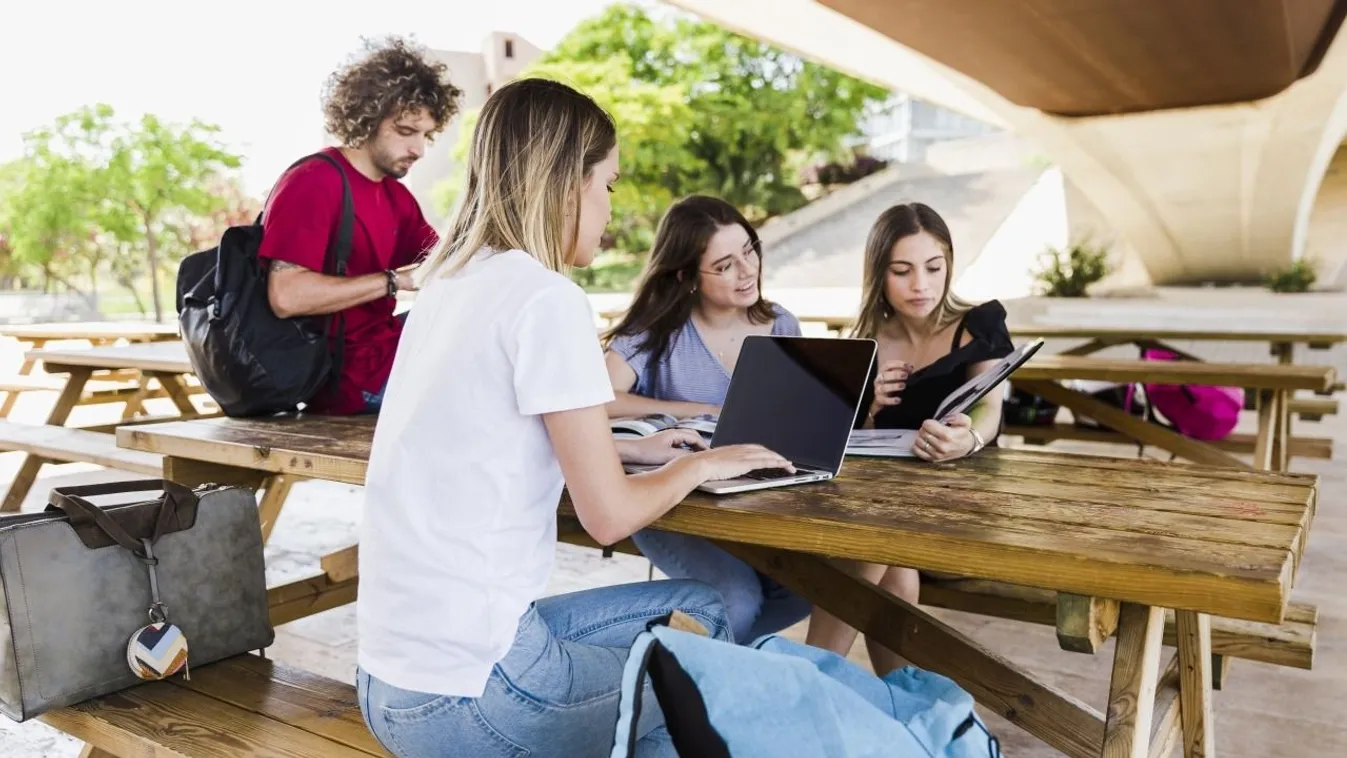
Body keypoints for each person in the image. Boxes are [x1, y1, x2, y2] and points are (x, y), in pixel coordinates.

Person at [355, 78, 795, 758]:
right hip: (471, 700)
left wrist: (641, 451)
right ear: (567, 183)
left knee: (699, 616)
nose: (610, 207)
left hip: (386, 682)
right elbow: (609, 517)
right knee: (699, 656)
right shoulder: (545, 298)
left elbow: (495, 439)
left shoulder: (446, 284)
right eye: (608, 184)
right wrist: (702, 462)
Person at [805, 202, 1014, 675]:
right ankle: (903, 697)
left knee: (872, 542)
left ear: (949, 265)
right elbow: (854, 446)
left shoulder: (978, 325)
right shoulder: (867, 341)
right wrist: (870, 407)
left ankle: (810, 677)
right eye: (902, 271)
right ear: (879, 274)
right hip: (892, 510)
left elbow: (990, 407)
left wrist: (969, 439)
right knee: (888, 560)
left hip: (966, 506)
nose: (921, 284)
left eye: (933, 268)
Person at [601, 194, 812, 643]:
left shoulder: (781, 325)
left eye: (750, 251)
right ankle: (688, 665)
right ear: (686, 275)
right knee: (735, 599)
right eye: (725, 265)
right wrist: (698, 410)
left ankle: (688, 654)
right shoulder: (656, 330)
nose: (747, 270)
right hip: (669, 499)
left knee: (808, 588)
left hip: (753, 497)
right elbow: (598, 401)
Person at [258, 37, 462, 414]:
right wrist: (394, 281)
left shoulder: (396, 197)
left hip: (387, 355)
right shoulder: (313, 181)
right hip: (347, 379)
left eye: (425, 135)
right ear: (368, 118)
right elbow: (285, 297)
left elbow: (449, 262)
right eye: (406, 131)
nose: (419, 149)